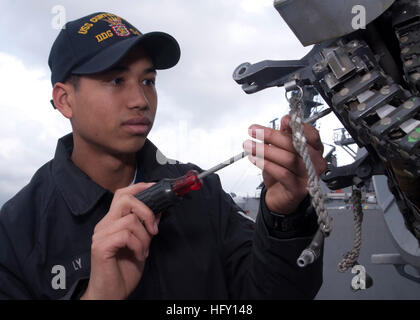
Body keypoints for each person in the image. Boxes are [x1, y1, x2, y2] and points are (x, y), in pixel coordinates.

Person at [0, 12, 327, 300]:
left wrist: (285, 214)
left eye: (148, 80)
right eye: (116, 80)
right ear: (65, 100)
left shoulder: (203, 192)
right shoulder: (15, 234)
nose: (141, 100)